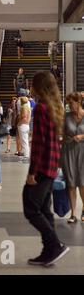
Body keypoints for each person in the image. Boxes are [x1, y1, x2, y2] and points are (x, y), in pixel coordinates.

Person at [23, 71, 69, 267]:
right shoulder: (56, 107)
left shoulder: (41, 108)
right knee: (44, 209)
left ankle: (55, 245)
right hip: (51, 166)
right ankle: (48, 251)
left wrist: (32, 172)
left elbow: (39, 143)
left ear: (38, 86)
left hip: (41, 168)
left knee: (31, 208)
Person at [62, 92, 84, 224]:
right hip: (68, 151)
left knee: (82, 183)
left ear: (79, 102)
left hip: (82, 151)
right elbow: (62, 133)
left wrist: (82, 137)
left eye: (72, 103)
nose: (70, 106)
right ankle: (73, 213)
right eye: (68, 103)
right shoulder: (66, 117)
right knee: (71, 183)